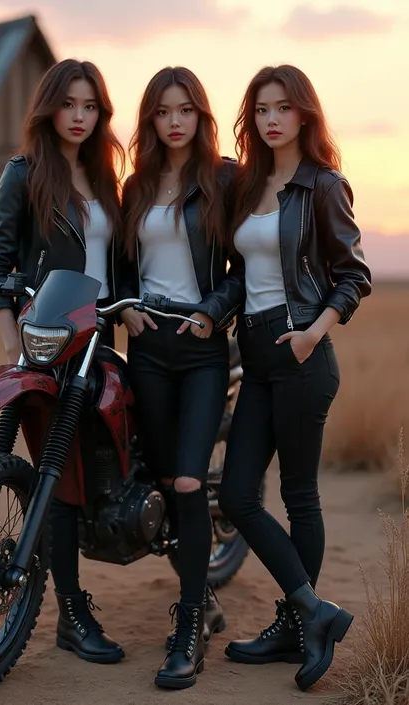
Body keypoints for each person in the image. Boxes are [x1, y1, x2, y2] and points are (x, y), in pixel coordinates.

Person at [218, 64, 371, 692]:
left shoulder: (323, 186)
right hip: (253, 356)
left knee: (299, 496)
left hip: (303, 353)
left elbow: (353, 274)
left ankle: (294, 625)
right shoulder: (248, 183)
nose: (271, 118)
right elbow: (238, 271)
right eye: (260, 109)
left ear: (304, 114)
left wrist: (313, 332)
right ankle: (313, 612)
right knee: (235, 497)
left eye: (283, 106)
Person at [0, 59, 125, 664]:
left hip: (103, 339)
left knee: (123, 457)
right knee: (57, 483)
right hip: (51, 342)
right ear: (49, 108)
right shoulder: (24, 174)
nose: (80, 118)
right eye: (69, 105)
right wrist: (12, 343)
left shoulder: (107, 177)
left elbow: (117, 264)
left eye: (91, 107)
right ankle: (70, 612)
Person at [118, 66, 244, 689]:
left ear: (200, 116)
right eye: (163, 112)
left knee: (192, 481)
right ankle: (203, 597)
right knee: (166, 483)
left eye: (185, 110)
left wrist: (211, 312)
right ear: (150, 120)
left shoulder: (222, 178)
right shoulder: (135, 187)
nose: (174, 122)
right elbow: (119, 269)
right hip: (149, 350)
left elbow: (245, 269)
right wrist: (128, 308)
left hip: (199, 349)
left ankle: (188, 625)